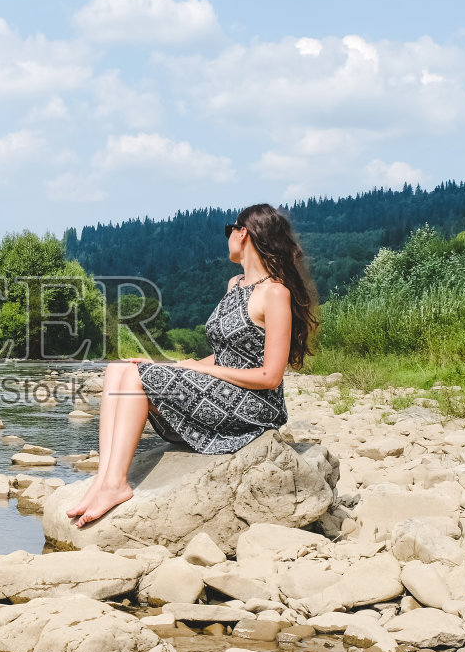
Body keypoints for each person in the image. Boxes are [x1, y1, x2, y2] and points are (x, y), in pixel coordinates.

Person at [66, 202, 318, 527]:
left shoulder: (276, 293)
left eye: (230, 230)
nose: (227, 237)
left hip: (254, 407)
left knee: (138, 378)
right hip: (222, 391)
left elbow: (270, 376)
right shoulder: (235, 285)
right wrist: (178, 366)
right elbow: (225, 353)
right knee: (119, 368)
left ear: (244, 234)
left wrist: (200, 370)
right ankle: (104, 480)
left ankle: (116, 485)